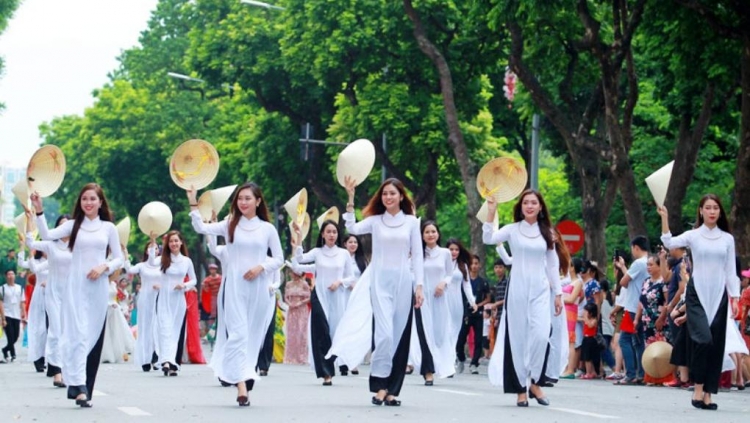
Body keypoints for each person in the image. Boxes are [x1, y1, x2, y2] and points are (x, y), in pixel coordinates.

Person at [330, 176, 425, 406]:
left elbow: (418, 255)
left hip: (404, 282)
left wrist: (419, 286)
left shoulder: (412, 222)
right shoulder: (376, 221)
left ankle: (392, 390)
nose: (388, 197)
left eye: (392, 193)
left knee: (400, 336)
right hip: (380, 282)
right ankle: (380, 384)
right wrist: (350, 199)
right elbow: (352, 227)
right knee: (384, 335)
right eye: (384, 194)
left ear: (401, 196)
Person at [188, 182, 283, 407]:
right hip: (235, 289)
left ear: (258, 202)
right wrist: (193, 200)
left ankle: (244, 374)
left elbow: (279, 259)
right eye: (240, 198)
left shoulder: (267, 229)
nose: (243, 202)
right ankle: (240, 384)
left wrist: (261, 267)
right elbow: (201, 228)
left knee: (252, 336)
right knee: (238, 334)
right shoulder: (230, 224)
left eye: (248, 198)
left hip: (258, 289)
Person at [31, 184, 124, 408]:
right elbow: (46, 235)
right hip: (76, 287)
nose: (88, 203)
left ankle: (83, 386)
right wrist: (39, 210)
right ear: (80, 203)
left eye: (93, 199)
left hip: (98, 288)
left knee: (91, 336)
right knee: (77, 334)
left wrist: (104, 267)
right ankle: (78, 386)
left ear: (101, 202)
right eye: (84, 199)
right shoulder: (73, 226)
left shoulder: (108, 228)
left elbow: (119, 259)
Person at [659, 195, 739, 410]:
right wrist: (665, 217)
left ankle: (708, 394)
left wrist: (736, 297)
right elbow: (669, 242)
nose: (712, 211)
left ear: (719, 212)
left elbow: (731, 271)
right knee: (702, 340)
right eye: (708, 208)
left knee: (716, 344)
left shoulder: (727, 239)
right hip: (697, 294)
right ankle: (698, 387)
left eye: (715, 208)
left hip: (719, 295)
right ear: (701, 211)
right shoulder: (693, 236)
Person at [484, 190, 561, 407]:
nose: (529, 206)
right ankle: (520, 389)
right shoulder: (512, 229)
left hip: (540, 290)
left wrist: (558, 293)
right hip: (517, 290)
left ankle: (535, 381)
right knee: (517, 340)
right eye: (525, 202)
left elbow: (553, 264)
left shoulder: (547, 232)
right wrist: (491, 212)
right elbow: (488, 238)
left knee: (540, 334)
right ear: (521, 206)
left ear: (540, 207)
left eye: (533, 203)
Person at [292, 219, 354, 385]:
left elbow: (351, 276)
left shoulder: (344, 253)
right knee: (322, 331)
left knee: (334, 332)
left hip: (337, 298)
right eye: (328, 232)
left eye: (334, 232)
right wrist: (298, 238)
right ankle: (326, 373)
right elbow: (299, 261)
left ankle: (334, 362)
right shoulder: (317, 252)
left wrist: (339, 282)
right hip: (319, 296)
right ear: (323, 234)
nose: (332, 235)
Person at [25, 213, 72, 386]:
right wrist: (31, 220)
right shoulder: (51, 246)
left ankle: (67, 369)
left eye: (68, 225)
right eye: (61, 225)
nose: (65, 228)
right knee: (55, 330)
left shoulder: (77, 246)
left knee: (69, 332)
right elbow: (31, 243)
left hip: (71, 294)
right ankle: (57, 371)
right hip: (53, 294)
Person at [410, 220, 456, 384]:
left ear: (438, 234)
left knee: (439, 333)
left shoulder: (445, 253)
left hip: (439, 298)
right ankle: (428, 371)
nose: (430, 235)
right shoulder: (416, 254)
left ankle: (443, 364)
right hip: (421, 300)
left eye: (433, 231)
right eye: (427, 232)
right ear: (421, 236)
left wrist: (444, 283)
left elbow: (450, 274)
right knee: (424, 334)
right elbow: (411, 274)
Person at [155, 230, 197, 376]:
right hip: (164, 300)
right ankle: (166, 361)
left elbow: (194, 280)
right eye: (171, 241)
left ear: (181, 243)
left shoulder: (186, 261)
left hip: (179, 301)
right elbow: (148, 262)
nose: (173, 243)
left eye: (176, 241)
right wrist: (153, 242)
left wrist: (184, 286)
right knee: (165, 329)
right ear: (168, 244)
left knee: (175, 332)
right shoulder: (162, 260)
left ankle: (171, 362)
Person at [613, 236, 650, 386]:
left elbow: (623, 282)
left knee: (625, 340)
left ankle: (630, 374)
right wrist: (622, 267)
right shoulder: (649, 261)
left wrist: (623, 271)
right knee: (638, 341)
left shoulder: (638, 263)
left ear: (635, 247)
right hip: (642, 305)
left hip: (632, 306)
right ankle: (640, 374)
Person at [124, 241, 161, 372]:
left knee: (157, 327)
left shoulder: (163, 265)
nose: (153, 250)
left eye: (156, 248)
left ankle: (157, 357)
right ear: (146, 251)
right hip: (145, 298)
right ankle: (146, 358)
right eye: (150, 248)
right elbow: (129, 269)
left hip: (159, 298)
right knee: (145, 328)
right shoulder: (141, 266)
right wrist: (125, 255)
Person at [447, 240, 477, 374]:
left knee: (454, 332)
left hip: (457, 302)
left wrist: (472, 301)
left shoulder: (463, 266)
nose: (454, 252)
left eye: (456, 250)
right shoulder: (441, 263)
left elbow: (467, 285)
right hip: (442, 300)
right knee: (444, 331)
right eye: (451, 249)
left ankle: (450, 361)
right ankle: (442, 361)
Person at [456, 253, 486, 375]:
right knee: (460, 339)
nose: (473, 266)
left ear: (479, 266)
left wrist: (479, 305)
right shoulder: (462, 281)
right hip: (465, 313)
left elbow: (488, 298)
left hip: (478, 314)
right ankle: (461, 359)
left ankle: (474, 363)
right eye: (471, 264)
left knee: (478, 340)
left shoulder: (483, 282)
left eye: (476, 264)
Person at [344, 233, 367, 375]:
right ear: (345, 243)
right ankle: (343, 360)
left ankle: (354, 362)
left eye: (355, 242)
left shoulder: (361, 261)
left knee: (356, 328)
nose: (353, 244)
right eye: (350, 242)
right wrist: (349, 284)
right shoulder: (340, 257)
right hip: (344, 295)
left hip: (358, 298)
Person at [100, 275, 135, 363]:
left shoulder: (113, 284)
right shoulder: (102, 282)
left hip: (116, 308)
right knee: (106, 331)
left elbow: (116, 298)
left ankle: (117, 353)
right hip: (106, 308)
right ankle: (106, 354)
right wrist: (109, 304)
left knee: (116, 331)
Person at [283, 268, 311, 365]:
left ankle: (302, 357)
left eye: (294, 273)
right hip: (291, 310)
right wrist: (289, 303)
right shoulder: (288, 284)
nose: (292, 275)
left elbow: (308, 297)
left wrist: (300, 303)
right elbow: (285, 296)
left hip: (301, 310)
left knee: (301, 333)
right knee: (291, 333)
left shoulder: (304, 284)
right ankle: (290, 357)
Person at [0, 269, 26, 362]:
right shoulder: (2, 288)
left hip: (16, 314)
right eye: (9, 274)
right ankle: (13, 354)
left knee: (16, 336)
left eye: (12, 274)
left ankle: (5, 349)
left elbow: (22, 302)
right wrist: (3, 318)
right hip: (7, 314)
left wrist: (24, 314)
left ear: (15, 276)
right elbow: (1, 303)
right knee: (10, 336)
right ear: (6, 276)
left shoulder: (20, 288)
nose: (11, 276)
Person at [201, 263, 222, 334]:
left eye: (214, 269)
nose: (212, 270)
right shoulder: (207, 280)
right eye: (211, 269)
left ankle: (220, 330)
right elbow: (206, 290)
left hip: (220, 297)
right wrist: (204, 287)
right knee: (212, 314)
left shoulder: (220, 278)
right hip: (212, 298)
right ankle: (212, 331)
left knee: (221, 312)